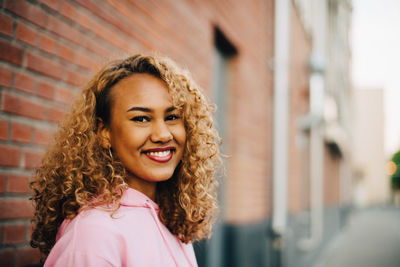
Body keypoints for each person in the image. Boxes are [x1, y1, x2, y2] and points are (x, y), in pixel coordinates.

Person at [30, 54, 221, 266]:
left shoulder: (172, 219)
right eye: (141, 118)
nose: (163, 134)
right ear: (104, 133)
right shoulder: (93, 235)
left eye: (172, 117)